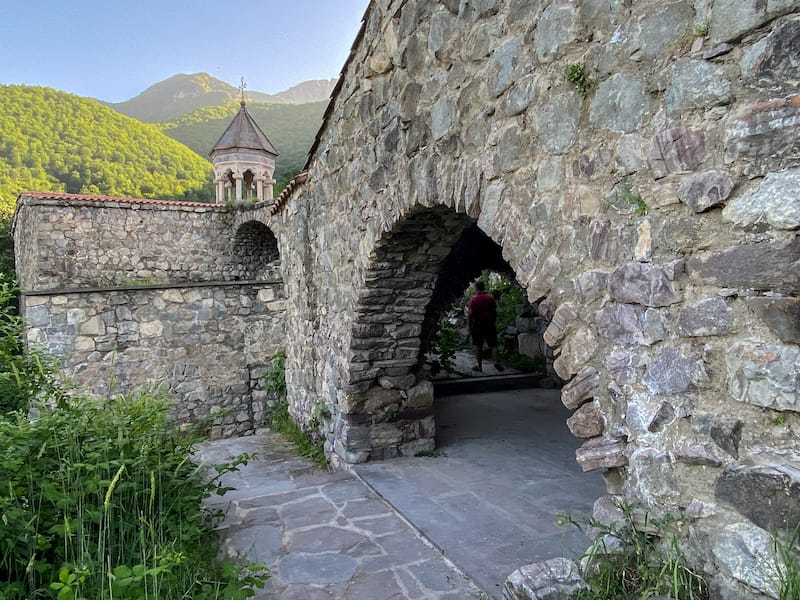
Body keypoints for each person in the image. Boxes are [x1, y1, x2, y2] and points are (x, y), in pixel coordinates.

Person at [467, 281, 504, 373]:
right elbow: (494, 311)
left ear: (476, 288)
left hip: (478, 325)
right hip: (489, 324)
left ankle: (479, 366)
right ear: (484, 287)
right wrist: (493, 321)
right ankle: (495, 361)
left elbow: (470, 314)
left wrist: (470, 326)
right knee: (493, 344)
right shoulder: (490, 298)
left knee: (478, 346)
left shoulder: (474, 299)